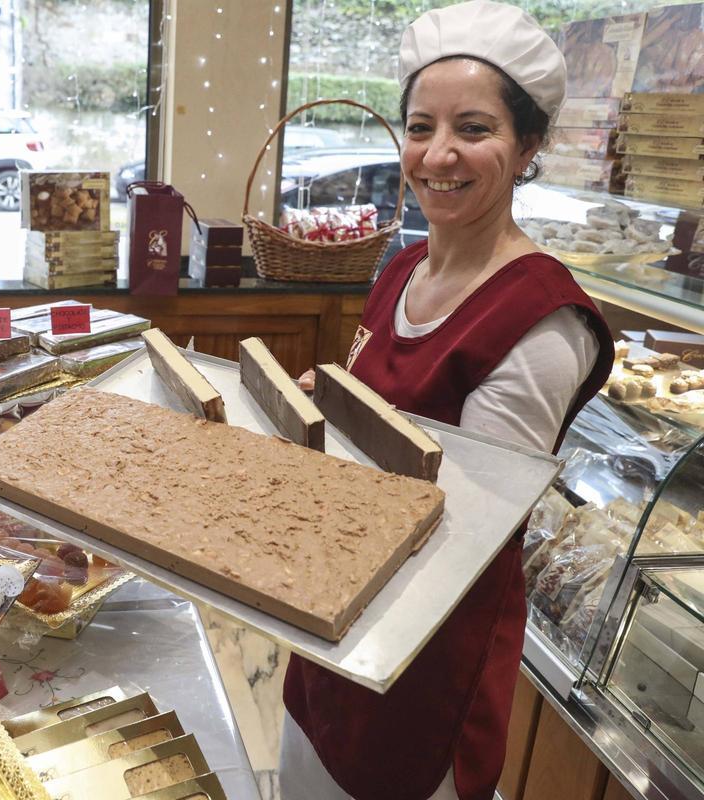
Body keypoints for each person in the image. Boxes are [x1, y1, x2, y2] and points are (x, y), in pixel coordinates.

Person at [281, 2, 614, 798]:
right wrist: (322, 405)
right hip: (332, 610)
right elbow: (383, 413)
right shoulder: (402, 269)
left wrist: (318, 456)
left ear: (528, 145)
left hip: (425, 662)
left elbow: (464, 534)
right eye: (420, 126)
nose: (437, 155)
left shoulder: (538, 320)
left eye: (473, 128)